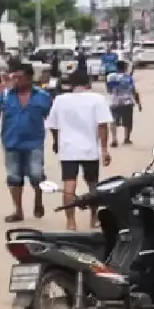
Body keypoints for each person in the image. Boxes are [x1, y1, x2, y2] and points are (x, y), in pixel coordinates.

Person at [0, 65, 55, 223]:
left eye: (19, 77)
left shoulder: (42, 96)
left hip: (34, 142)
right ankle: (18, 210)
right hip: (11, 142)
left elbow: (53, 120)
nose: (15, 81)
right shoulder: (6, 95)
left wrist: (56, 139)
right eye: (14, 77)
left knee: (36, 174)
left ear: (29, 78)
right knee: (14, 177)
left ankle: (38, 199)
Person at [46, 70, 115, 232]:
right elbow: (102, 125)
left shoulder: (60, 100)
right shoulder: (97, 99)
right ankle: (94, 218)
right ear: (88, 83)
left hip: (68, 149)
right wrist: (104, 149)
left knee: (69, 185)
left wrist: (56, 142)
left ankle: (71, 222)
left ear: (70, 84)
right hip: (89, 149)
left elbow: (53, 126)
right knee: (93, 185)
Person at [104, 57, 142, 149]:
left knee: (113, 121)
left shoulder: (110, 77)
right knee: (128, 121)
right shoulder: (129, 78)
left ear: (116, 67)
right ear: (125, 68)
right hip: (127, 102)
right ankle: (126, 138)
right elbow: (134, 91)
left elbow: (109, 90)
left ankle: (114, 139)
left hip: (114, 102)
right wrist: (139, 103)